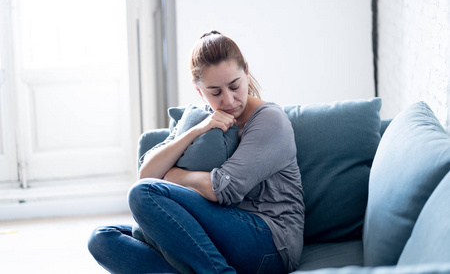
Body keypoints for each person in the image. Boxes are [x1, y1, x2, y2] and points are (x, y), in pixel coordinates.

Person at [88, 31, 305, 274]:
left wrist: (172, 176)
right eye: (215, 92)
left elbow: (222, 188)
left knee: (143, 194)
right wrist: (197, 130)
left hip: (270, 241)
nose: (229, 100)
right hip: (215, 233)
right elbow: (147, 172)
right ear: (199, 90)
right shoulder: (201, 117)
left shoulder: (269, 120)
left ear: (246, 70)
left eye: (235, 86)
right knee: (102, 239)